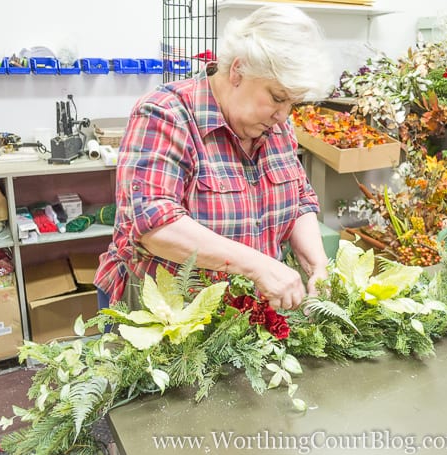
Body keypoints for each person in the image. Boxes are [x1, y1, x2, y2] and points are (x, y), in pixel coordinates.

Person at [94, 5, 334, 312]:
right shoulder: (166, 114)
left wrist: (317, 265)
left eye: (292, 103)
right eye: (276, 97)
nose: (283, 115)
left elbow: (300, 200)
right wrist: (256, 265)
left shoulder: (277, 126)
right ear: (238, 70)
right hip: (166, 316)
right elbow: (155, 225)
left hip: (238, 318)